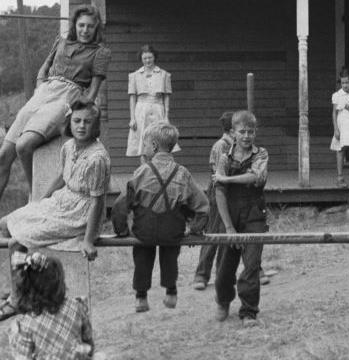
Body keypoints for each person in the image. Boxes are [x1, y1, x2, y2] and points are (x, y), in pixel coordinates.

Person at [0, 6, 111, 240]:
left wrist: (75, 110)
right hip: (44, 92)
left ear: (96, 29)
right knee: (3, 154)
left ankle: (34, 200)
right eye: (81, 25)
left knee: (24, 145)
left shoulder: (100, 52)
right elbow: (44, 68)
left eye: (90, 26)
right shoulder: (62, 41)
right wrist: (40, 87)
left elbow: (92, 91)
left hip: (68, 95)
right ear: (75, 25)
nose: (85, 30)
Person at [0, 101, 110, 322]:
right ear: (70, 123)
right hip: (62, 200)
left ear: (96, 125)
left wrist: (89, 240)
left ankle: (16, 300)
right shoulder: (69, 147)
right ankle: (25, 285)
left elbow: (97, 202)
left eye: (88, 122)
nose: (81, 126)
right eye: (77, 121)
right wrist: (41, 200)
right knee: (5, 224)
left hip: (79, 212)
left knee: (16, 242)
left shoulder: (97, 158)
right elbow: (63, 176)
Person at [112, 122, 208, 313]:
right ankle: (171, 292)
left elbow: (119, 206)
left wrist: (122, 231)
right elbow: (203, 206)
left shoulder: (142, 172)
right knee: (170, 255)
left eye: (145, 145)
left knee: (142, 256)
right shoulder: (183, 173)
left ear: (154, 146)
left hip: (144, 232)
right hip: (172, 231)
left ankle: (141, 297)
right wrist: (195, 230)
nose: (143, 149)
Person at [10, 252, 111, 360]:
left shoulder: (25, 324)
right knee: (103, 359)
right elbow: (89, 342)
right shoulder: (76, 306)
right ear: (59, 282)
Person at [212, 110, 269, 326]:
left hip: (254, 213)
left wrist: (227, 178)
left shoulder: (261, 154)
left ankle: (248, 311)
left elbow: (256, 176)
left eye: (251, 132)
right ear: (233, 133)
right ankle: (223, 300)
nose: (246, 136)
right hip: (230, 214)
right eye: (242, 131)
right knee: (226, 266)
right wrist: (228, 227)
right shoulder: (224, 157)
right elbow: (219, 192)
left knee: (252, 264)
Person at [192, 111, 235, 290]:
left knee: (228, 232)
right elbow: (219, 174)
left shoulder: (235, 145)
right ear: (232, 129)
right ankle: (201, 275)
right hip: (219, 191)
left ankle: (222, 274)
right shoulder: (222, 146)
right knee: (213, 231)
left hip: (232, 191)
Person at [125, 45, 179, 157]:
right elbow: (132, 97)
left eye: (150, 57)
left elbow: (166, 97)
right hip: (141, 110)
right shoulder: (134, 76)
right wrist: (132, 118)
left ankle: (159, 168)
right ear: (141, 59)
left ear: (154, 57)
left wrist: (166, 116)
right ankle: (145, 169)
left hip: (158, 108)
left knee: (160, 137)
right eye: (145, 58)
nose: (147, 60)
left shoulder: (164, 75)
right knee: (143, 141)